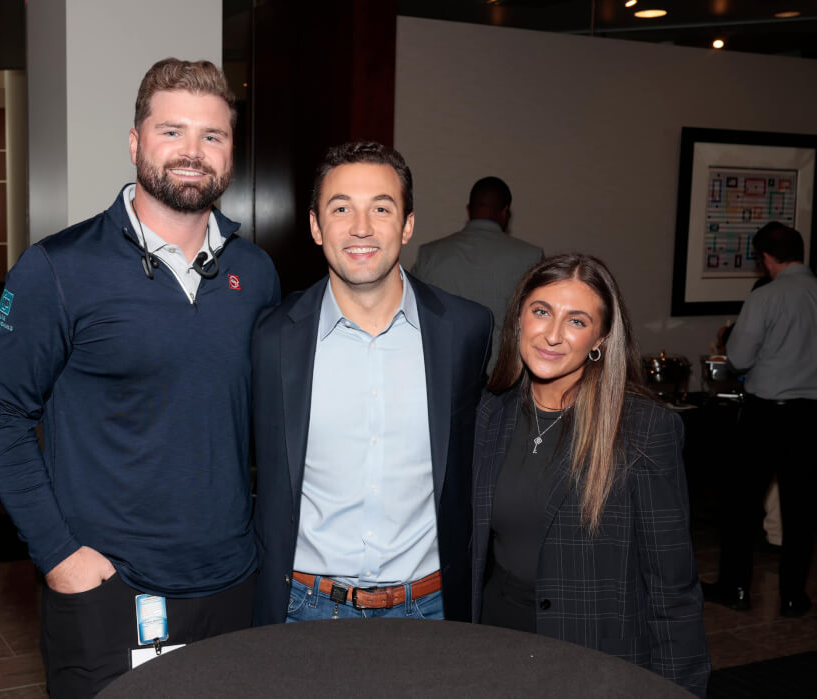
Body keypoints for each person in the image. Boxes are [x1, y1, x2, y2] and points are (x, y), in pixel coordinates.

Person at [0, 58, 281, 696]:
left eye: (212, 135)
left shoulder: (256, 274)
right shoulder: (56, 268)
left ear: (231, 151)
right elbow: (1, 413)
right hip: (110, 589)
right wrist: (59, 556)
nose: (192, 151)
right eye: (172, 131)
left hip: (234, 583)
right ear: (136, 142)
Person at [252, 141, 492, 626]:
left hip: (431, 609)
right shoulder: (270, 338)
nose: (360, 227)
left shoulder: (466, 330)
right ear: (316, 226)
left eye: (381, 208)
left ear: (407, 224)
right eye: (341, 208)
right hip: (305, 609)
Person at [471, 254, 709, 696]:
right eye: (541, 311)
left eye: (577, 321)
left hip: (594, 659)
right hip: (495, 644)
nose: (553, 334)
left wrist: (681, 690)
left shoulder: (642, 429)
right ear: (519, 317)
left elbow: (673, 589)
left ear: (600, 338)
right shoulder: (489, 414)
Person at [704, 222, 817, 617]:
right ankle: (793, 596)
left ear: (766, 258)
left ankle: (735, 587)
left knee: (742, 503)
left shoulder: (766, 296)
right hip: (810, 414)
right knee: (801, 509)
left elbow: (738, 358)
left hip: (767, 413)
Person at [412, 176, 542, 372]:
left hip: (443, 370)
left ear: (468, 209)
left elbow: (414, 315)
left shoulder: (429, 254)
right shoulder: (530, 256)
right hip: (502, 374)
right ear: (505, 211)